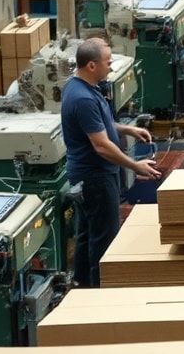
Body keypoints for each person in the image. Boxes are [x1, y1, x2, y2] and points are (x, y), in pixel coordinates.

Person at [61, 38, 160, 288]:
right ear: (91, 65)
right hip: (95, 178)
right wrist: (135, 166)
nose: (111, 66)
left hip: (87, 176)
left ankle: (83, 285)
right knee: (104, 239)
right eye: (107, 62)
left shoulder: (79, 87)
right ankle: (101, 291)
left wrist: (126, 129)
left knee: (87, 234)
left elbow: (98, 125)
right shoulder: (82, 98)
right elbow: (101, 146)